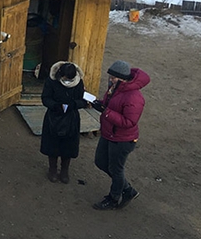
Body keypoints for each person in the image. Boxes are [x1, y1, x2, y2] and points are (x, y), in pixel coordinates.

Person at [90, 60, 151, 210]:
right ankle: (128, 190)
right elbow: (109, 104)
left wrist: (105, 111)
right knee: (100, 162)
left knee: (116, 170)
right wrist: (99, 104)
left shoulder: (134, 97)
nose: (110, 80)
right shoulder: (115, 88)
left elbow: (129, 121)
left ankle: (114, 198)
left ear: (122, 78)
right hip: (109, 134)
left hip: (122, 139)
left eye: (113, 78)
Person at [40, 61, 88, 184]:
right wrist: (55, 106)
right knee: (52, 143)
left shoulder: (78, 83)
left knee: (68, 145)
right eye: (65, 78)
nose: (66, 81)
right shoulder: (52, 81)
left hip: (71, 117)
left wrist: (74, 105)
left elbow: (83, 100)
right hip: (54, 116)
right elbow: (45, 98)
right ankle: (52, 169)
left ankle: (65, 170)